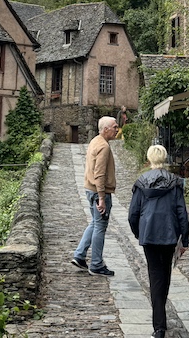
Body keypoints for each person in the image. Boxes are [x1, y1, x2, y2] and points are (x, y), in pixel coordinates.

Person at [128, 144, 189, 338]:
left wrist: (139, 232)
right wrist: (185, 238)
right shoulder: (175, 182)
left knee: (155, 276)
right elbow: (182, 212)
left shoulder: (141, 183)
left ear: (149, 158)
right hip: (169, 234)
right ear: (165, 158)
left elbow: (133, 214)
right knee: (165, 274)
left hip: (150, 234)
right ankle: (160, 316)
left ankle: (159, 327)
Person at [71, 116, 118, 277]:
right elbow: (99, 174)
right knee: (100, 227)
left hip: (89, 189)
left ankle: (79, 255)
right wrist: (102, 198)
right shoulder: (104, 147)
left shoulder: (95, 141)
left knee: (95, 223)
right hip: (99, 192)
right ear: (106, 129)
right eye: (114, 127)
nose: (117, 129)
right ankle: (96, 264)